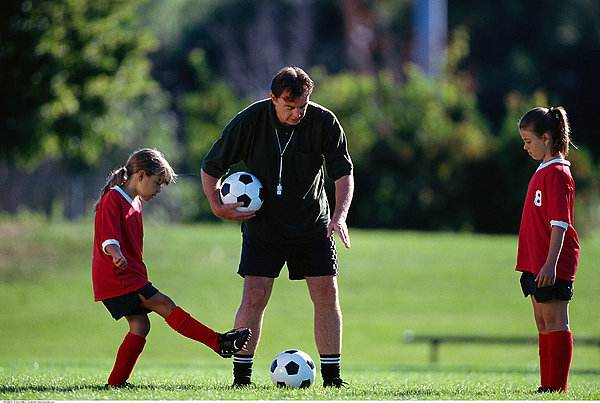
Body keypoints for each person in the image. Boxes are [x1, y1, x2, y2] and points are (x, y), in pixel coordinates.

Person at [201, 66, 354, 387]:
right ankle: (241, 379)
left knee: (327, 293)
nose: (298, 112)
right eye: (290, 106)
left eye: (303, 105)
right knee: (254, 296)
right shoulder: (250, 120)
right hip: (263, 227)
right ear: (273, 99)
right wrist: (216, 204)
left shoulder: (324, 121)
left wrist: (340, 215)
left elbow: (343, 173)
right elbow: (211, 166)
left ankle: (333, 379)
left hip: (313, 224)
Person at [92, 148, 251, 388]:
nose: (158, 190)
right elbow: (108, 236)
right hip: (118, 276)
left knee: (140, 325)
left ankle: (116, 383)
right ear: (141, 175)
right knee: (165, 304)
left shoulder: (134, 202)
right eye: (157, 183)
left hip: (128, 275)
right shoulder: (113, 199)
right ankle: (219, 343)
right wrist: (116, 255)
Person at [515, 107, 580, 393]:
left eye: (529, 141)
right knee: (542, 321)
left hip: (551, 263)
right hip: (536, 261)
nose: (525, 147)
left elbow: (560, 223)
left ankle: (558, 386)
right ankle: (547, 386)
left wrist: (551, 263)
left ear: (546, 137)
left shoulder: (558, 173)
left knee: (556, 319)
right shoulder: (544, 170)